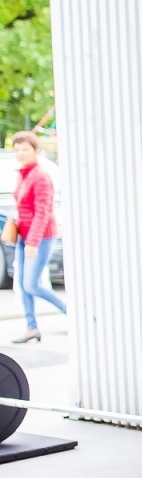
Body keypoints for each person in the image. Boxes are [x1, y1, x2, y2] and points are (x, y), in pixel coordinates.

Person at [8, 132, 66, 343]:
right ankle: (31, 327)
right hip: (25, 237)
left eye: (25, 149)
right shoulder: (23, 174)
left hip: (40, 238)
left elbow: (43, 211)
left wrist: (32, 242)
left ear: (36, 151)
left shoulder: (40, 176)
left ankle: (70, 311)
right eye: (17, 149)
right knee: (24, 285)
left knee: (31, 284)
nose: (20, 153)